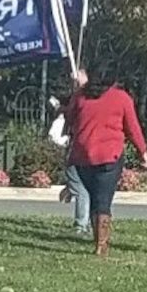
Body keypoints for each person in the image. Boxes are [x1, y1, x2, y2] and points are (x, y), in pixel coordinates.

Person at [64, 67, 147, 257]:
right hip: (110, 155)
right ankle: (101, 245)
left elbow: (69, 119)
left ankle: (97, 239)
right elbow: (132, 127)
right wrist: (142, 151)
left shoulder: (80, 97)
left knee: (94, 198)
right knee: (103, 200)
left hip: (83, 155)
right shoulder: (121, 98)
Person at [47, 95, 91, 236]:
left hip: (78, 155)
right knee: (84, 190)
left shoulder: (70, 118)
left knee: (82, 190)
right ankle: (85, 223)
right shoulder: (66, 121)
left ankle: (82, 223)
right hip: (79, 155)